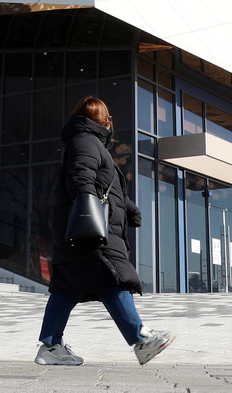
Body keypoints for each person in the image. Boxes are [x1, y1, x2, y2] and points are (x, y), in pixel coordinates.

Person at [35, 96, 176, 366]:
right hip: (90, 232)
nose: (111, 122)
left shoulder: (89, 143)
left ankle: (51, 346)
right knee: (113, 278)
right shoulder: (85, 141)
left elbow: (104, 188)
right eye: (108, 118)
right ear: (101, 120)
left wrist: (129, 209)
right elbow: (81, 178)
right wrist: (88, 217)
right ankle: (141, 339)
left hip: (79, 229)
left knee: (69, 288)